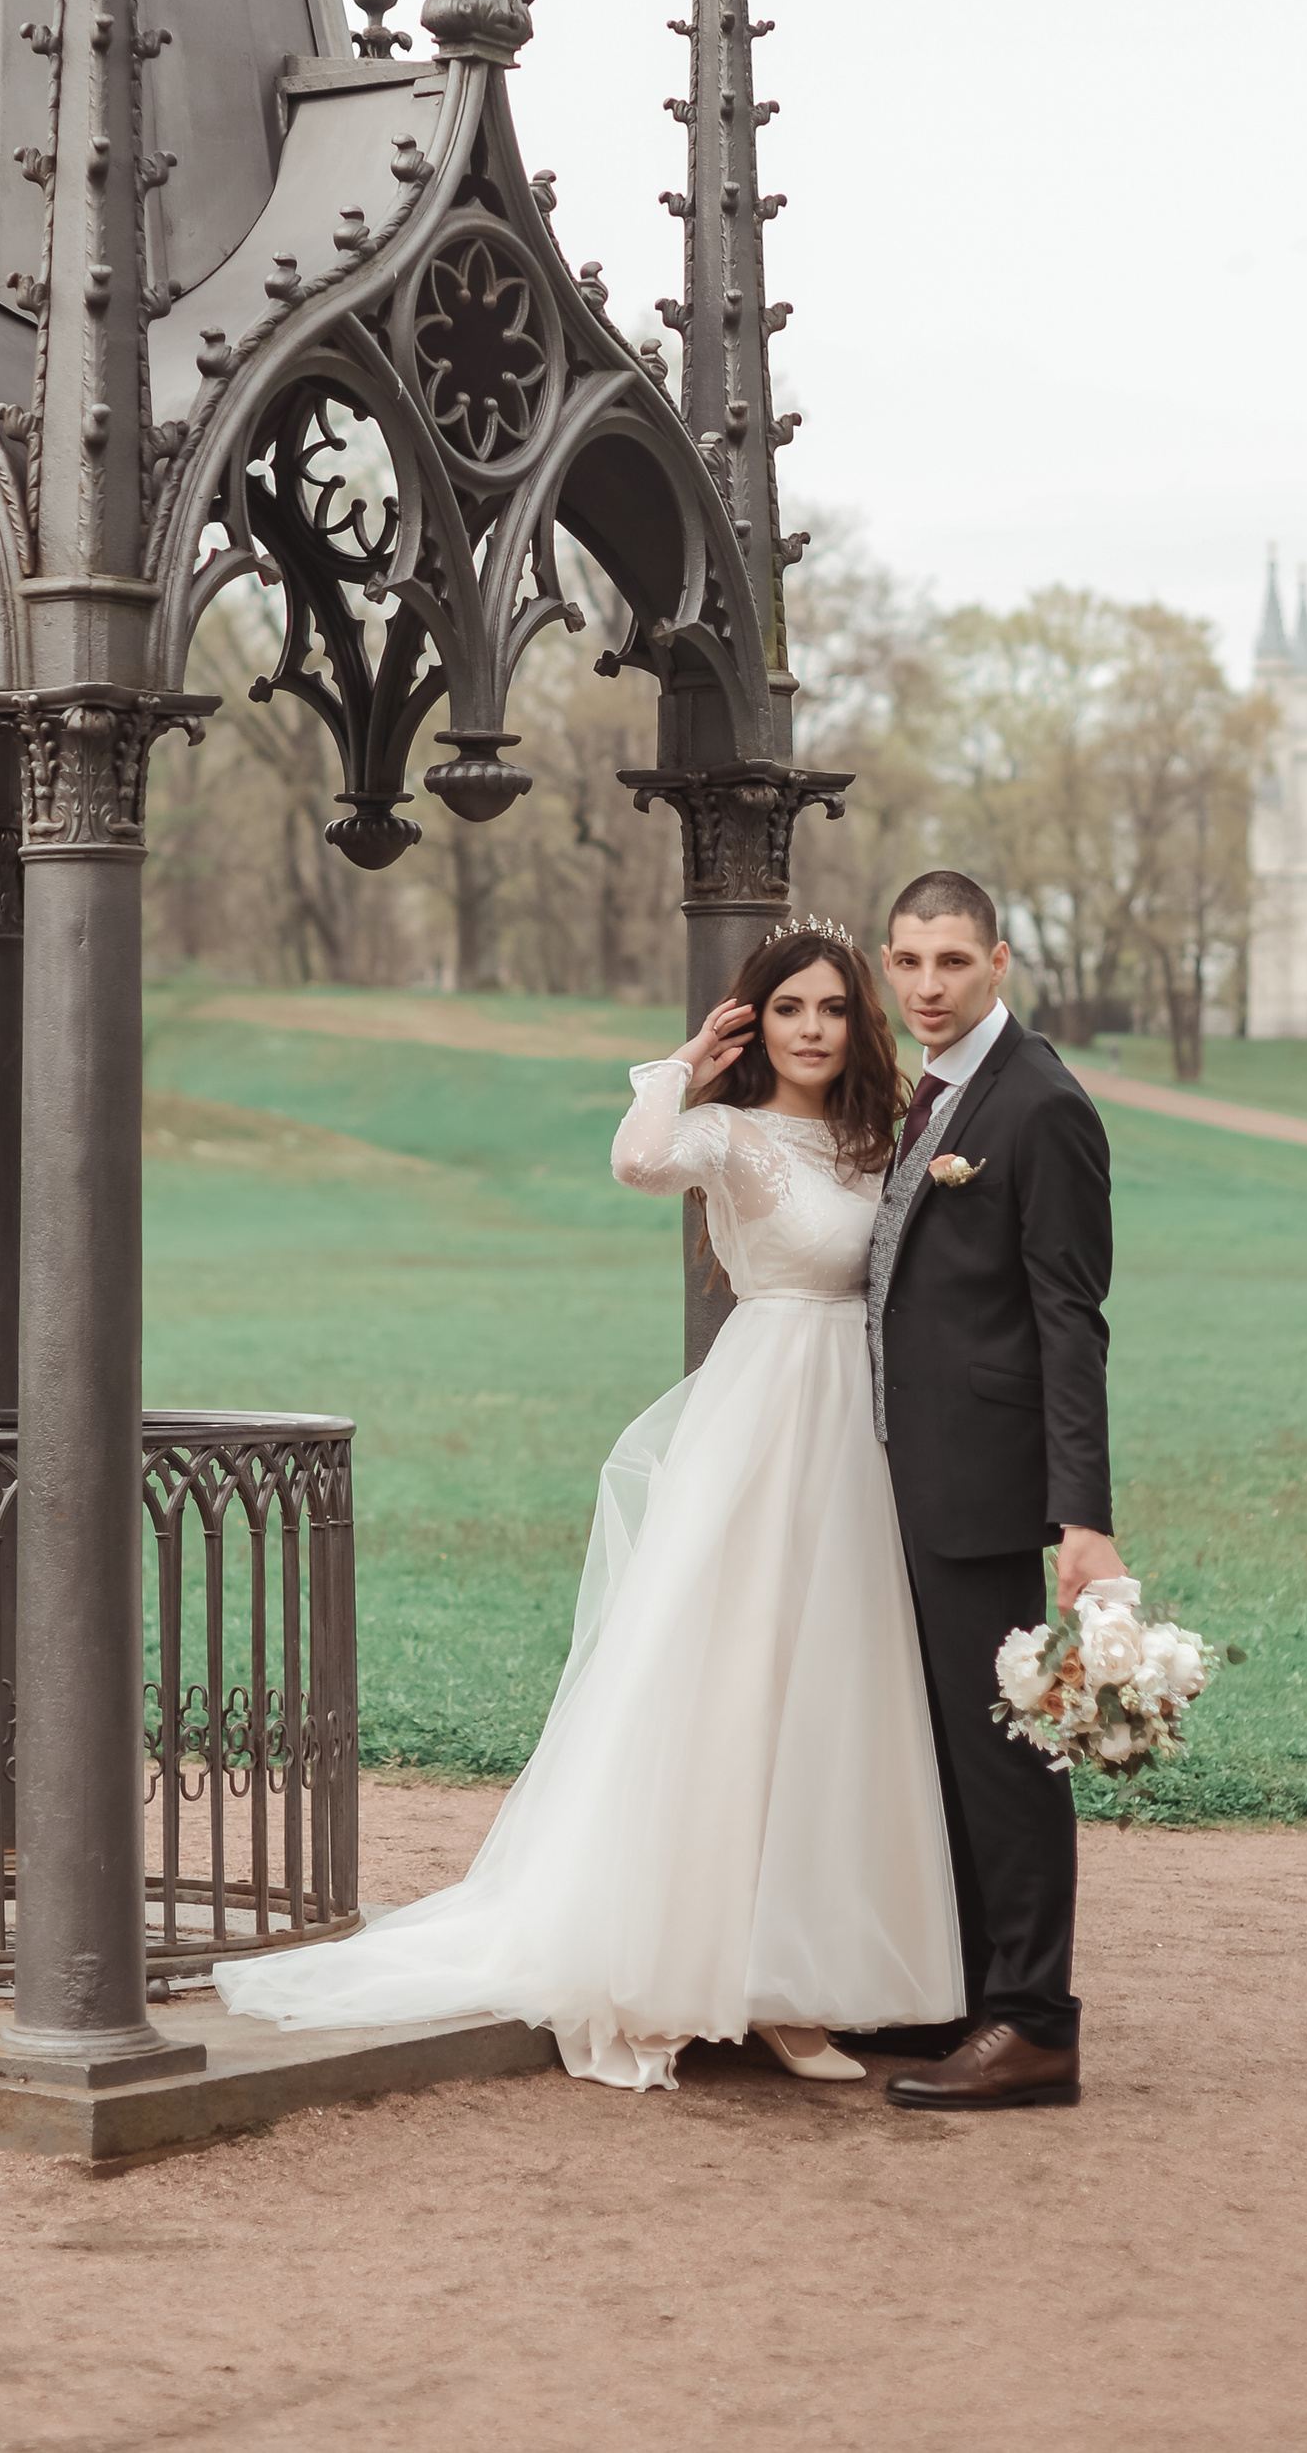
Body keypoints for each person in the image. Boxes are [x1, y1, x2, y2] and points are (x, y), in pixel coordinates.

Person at [209, 923, 963, 2089]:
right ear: (754, 1023)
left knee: (836, 1682)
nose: (810, 1028)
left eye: (829, 1008)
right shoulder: (727, 1134)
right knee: (733, 1675)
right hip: (760, 1416)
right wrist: (679, 1065)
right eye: (786, 1009)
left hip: (852, 1432)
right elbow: (636, 1161)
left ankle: (818, 1956)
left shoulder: (876, 1139)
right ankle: (727, 1969)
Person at [863, 867, 1119, 2113]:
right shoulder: (928, 1092)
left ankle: (1034, 2021)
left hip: (980, 1484)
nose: (925, 985)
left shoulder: (1040, 1105)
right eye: (906, 960)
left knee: (1008, 1751)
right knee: (942, 1745)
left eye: (951, 961)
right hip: (904, 1476)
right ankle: (964, 1988)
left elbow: (1071, 1323)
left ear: (1001, 961)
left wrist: (1084, 1517)